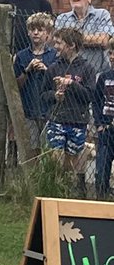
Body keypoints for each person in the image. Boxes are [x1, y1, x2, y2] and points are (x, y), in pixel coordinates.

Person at [41, 27, 95, 192]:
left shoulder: (87, 68)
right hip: (57, 119)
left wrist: (71, 84)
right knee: (55, 156)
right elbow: (43, 95)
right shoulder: (53, 68)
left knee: (71, 160)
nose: (55, 46)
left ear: (71, 45)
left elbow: (89, 95)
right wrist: (55, 96)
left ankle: (69, 188)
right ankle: (52, 187)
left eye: (59, 43)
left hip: (77, 120)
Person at [13, 12, 57, 160]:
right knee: (31, 150)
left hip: (48, 111)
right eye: (33, 30)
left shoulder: (55, 56)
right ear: (28, 32)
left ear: (48, 34)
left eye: (40, 30)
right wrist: (27, 70)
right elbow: (15, 85)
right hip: (28, 110)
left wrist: (47, 70)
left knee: (47, 151)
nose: (36, 33)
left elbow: (58, 83)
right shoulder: (21, 56)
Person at [54, 0, 114, 77]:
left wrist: (72, 39)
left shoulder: (102, 14)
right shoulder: (62, 18)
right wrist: (91, 39)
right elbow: (60, 44)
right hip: (68, 74)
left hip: (97, 74)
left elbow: (103, 40)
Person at [92, 43, 114, 199]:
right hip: (106, 130)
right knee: (102, 167)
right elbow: (97, 101)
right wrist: (99, 124)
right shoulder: (104, 77)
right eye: (111, 53)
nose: (112, 57)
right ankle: (102, 195)